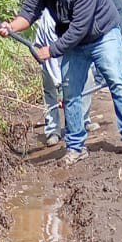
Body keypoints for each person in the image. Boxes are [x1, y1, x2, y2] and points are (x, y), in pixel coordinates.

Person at [0, 0, 122, 166]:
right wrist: (12, 27)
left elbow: (79, 29)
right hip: (73, 38)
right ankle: (76, 147)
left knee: (115, 79)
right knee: (70, 89)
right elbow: (29, 12)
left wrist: (51, 50)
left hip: (102, 33)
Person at [35, 10, 98, 147]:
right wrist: (60, 87)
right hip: (48, 54)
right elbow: (54, 62)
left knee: (88, 79)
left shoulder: (78, 12)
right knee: (50, 87)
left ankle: (82, 120)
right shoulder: (50, 20)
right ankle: (53, 130)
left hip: (73, 50)